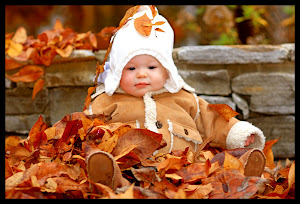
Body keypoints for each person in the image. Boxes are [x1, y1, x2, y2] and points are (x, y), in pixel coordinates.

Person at [84, 5, 266, 191]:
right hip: (132, 168)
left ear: (166, 70)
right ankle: (109, 178)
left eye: (151, 67)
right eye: (131, 68)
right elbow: (86, 128)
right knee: (115, 167)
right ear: (117, 71)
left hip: (187, 171)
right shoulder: (107, 100)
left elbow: (212, 119)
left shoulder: (182, 97)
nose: (141, 74)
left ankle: (243, 173)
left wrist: (238, 132)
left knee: (213, 166)